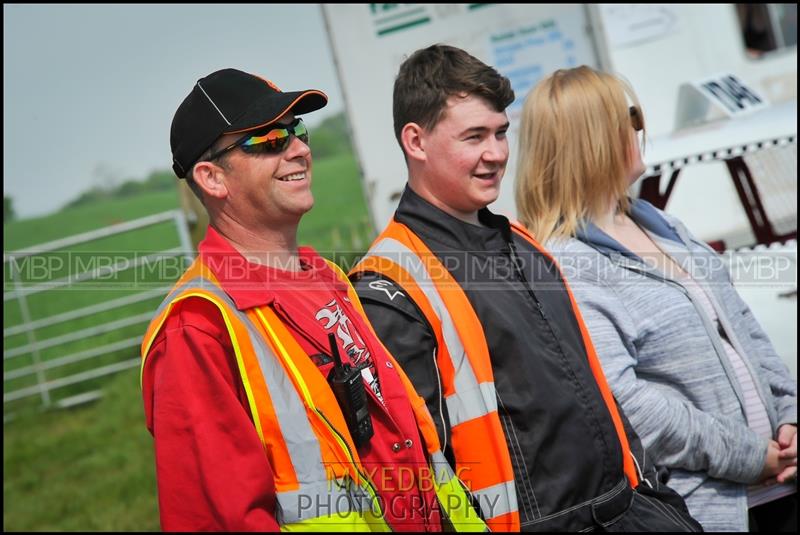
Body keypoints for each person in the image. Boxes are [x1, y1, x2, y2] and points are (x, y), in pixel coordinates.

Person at [349, 44, 701, 532]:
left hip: (631, 513)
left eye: (500, 133)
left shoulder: (521, 242)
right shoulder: (390, 285)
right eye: (474, 137)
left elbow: (600, 397)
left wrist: (660, 504)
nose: (495, 154)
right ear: (416, 141)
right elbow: (419, 475)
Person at [139, 68, 485, 532]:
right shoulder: (199, 325)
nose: (299, 147)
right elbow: (213, 519)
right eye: (268, 140)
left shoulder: (329, 280)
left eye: (296, 130)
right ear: (212, 178)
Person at [515, 65, 797, 532]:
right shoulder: (568, 264)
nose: (638, 130)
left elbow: (744, 328)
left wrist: (790, 417)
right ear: (594, 138)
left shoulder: (662, 225)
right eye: (629, 118)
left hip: (779, 484)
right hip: (715, 512)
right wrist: (750, 457)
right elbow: (629, 403)